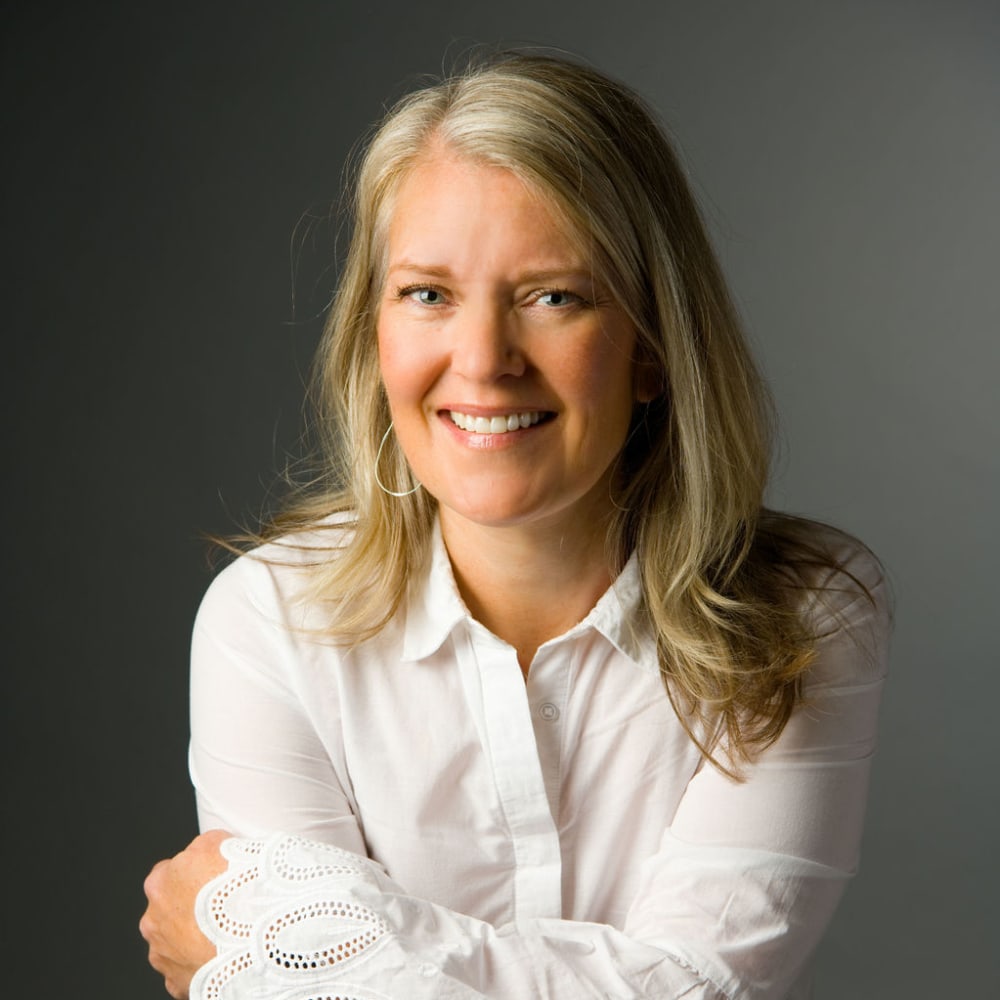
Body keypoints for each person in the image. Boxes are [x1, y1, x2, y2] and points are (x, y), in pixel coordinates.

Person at [140, 51, 889, 1000]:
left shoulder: (805, 616)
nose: (484, 361)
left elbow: (698, 989)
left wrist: (293, 956)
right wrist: (292, 959)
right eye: (427, 294)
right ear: (374, 336)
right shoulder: (268, 621)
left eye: (553, 297)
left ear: (654, 347)